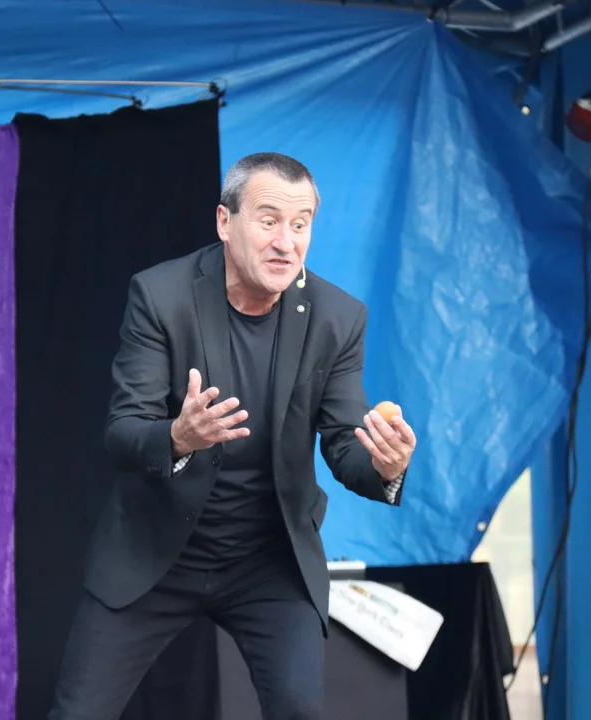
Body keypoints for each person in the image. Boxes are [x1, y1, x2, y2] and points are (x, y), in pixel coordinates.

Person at [48, 152, 417, 720]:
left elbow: (346, 446)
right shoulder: (161, 296)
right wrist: (178, 436)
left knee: (299, 711)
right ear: (225, 221)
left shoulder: (337, 318)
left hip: (268, 559)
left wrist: (387, 467)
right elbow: (122, 433)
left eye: (300, 224)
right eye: (268, 220)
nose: (285, 242)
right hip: (157, 550)